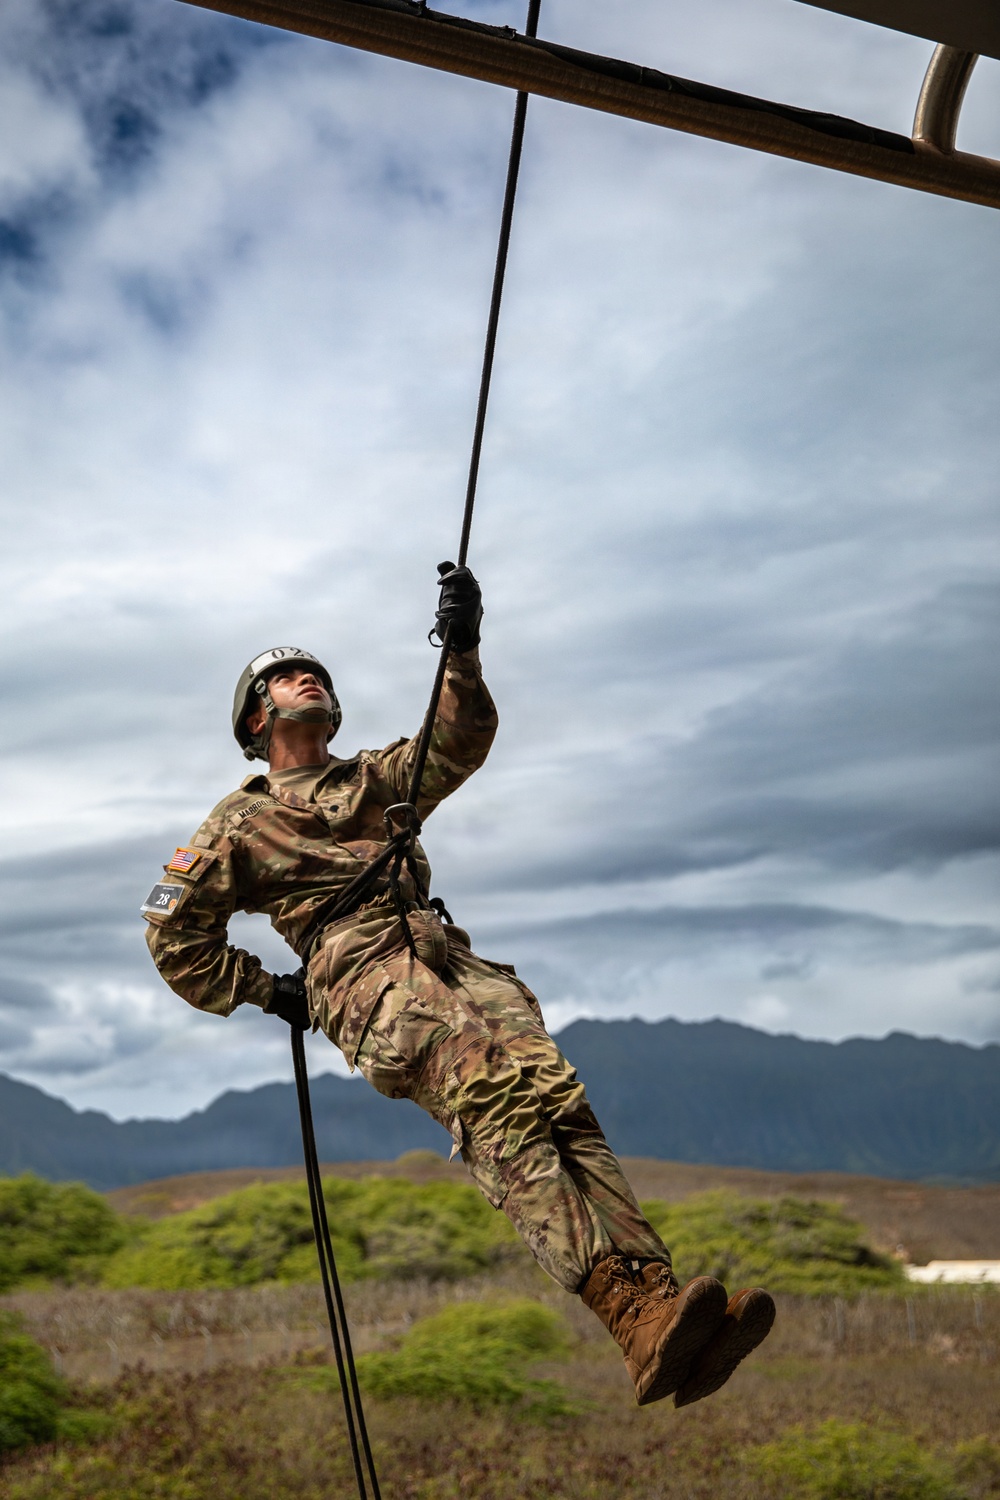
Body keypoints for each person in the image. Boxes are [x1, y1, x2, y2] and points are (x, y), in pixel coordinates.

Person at [142, 563, 774, 1408]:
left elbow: (459, 740)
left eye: (320, 673)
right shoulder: (240, 822)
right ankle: (624, 1309)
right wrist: (270, 991)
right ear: (259, 717)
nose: (312, 679)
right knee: (494, 1102)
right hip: (365, 976)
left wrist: (463, 651)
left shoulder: (376, 778)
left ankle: (661, 1308)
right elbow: (174, 934)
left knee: (556, 1103)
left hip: (450, 957)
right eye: (287, 675)